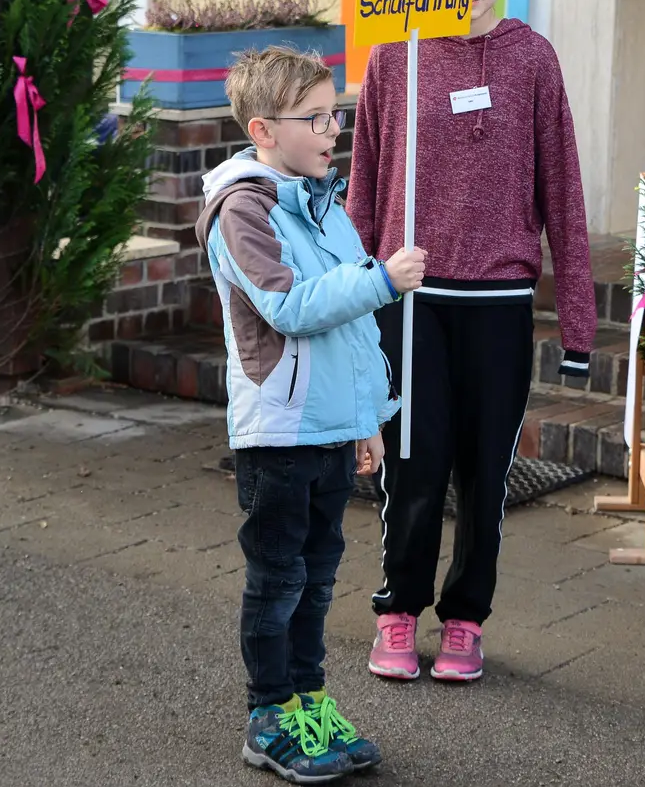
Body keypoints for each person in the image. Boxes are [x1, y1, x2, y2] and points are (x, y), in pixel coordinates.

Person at [348, 0, 594, 684]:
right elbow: (364, 188)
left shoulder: (533, 59)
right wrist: (355, 300)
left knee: (485, 474)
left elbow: (564, 191)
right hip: (410, 298)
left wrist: (580, 326)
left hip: (497, 302)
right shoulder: (395, 57)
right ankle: (397, 609)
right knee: (412, 465)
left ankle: (464, 619)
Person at [197, 46, 427, 784]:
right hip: (281, 433)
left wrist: (368, 417)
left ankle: (308, 702)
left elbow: (353, 336)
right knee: (278, 580)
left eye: (337, 114)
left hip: (330, 428)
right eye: (317, 118)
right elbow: (291, 308)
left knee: (320, 576)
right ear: (263, 130)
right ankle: (269, 716)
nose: (334, 130)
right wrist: (381, 279)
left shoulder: (322, 203)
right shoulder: (245, 210)